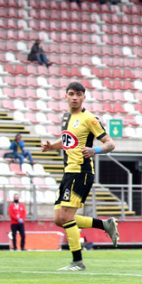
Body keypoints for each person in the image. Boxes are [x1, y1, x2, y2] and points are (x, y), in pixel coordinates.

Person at [41, 82, 120, 271]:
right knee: (59, 219)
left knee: (67, 216)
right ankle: (105, 225)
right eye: (71, 94)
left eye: (78, 94)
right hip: (69, 172)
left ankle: (77, 262)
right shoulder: (66, 117)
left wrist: (95, 150)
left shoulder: (90, 119)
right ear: (66, 96)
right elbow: (69, 140)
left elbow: (110, 144)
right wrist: (52, 146)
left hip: (81, 173)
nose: (75, 97)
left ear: (84, 97)